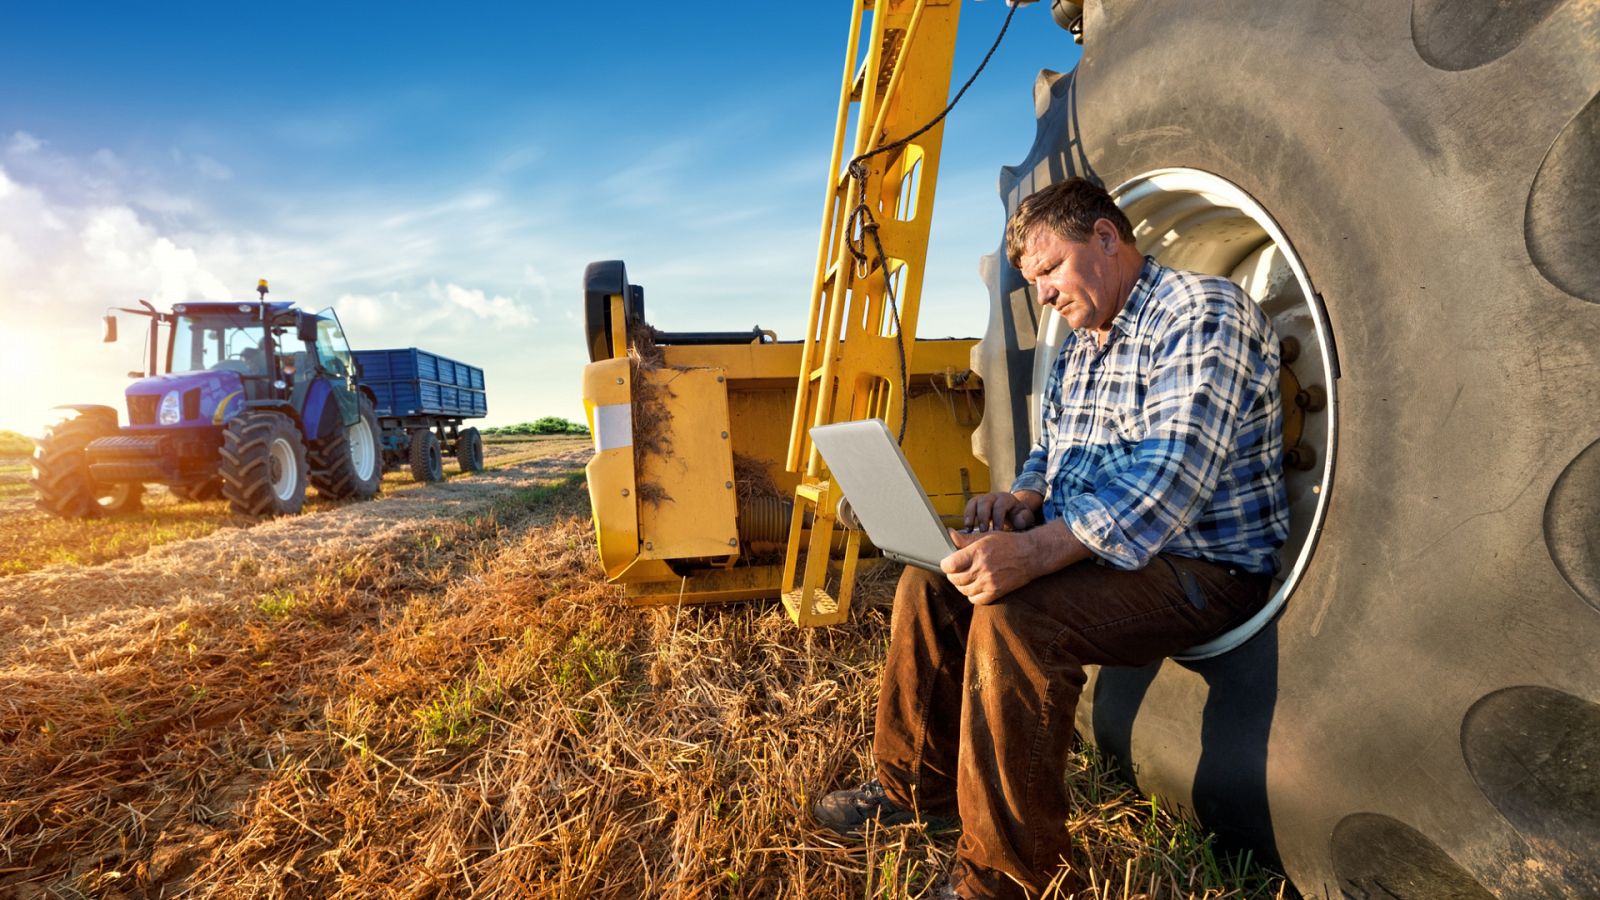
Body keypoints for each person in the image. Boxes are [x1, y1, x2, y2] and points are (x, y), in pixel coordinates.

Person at [812, 177, 1290, 899]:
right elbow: (1054, 448)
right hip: (1111, 554)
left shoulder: (1201, 313)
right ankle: (915, 790)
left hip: (1200, 567)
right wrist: (1024, 499)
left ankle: (1010, 878)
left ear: (1105, 237)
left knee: (1015, 616)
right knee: (933, 580)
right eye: (1033, 280)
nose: (1042, 295)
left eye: (1050, 269)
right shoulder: (1084, 344)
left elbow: (1169, 481)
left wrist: (1034, 553)